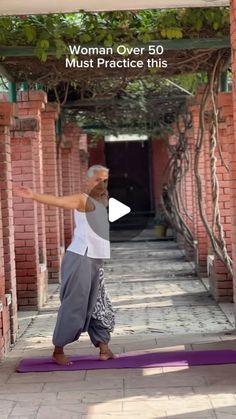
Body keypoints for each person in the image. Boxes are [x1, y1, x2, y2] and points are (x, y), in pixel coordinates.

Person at [14, 164, 115, 365]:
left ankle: (104, 347)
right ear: (87, 181)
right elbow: (58, 201)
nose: (101, 183)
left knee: (99, 303)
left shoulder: (102, 201)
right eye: (97, 180)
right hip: (80, 257)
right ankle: (58, 350)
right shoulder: (81, 199)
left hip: (95, 260)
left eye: (105, 180)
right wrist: (33, 195)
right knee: (75, 304)